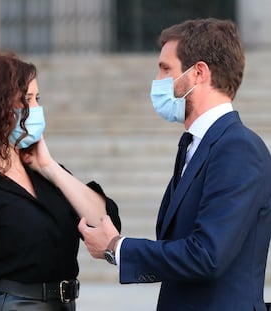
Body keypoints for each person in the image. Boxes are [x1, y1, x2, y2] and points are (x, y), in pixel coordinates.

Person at [78, 17, 271, 311]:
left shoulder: (238, 148)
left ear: (199, 73)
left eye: (165, 69)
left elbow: (207, 255)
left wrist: (117, 247)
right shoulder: (196, 145)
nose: (157, 81)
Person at [0, 50, 121, 311]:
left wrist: (50, 167)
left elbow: (107, 224)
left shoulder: (46, 175)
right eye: (26, 100)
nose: (37, 109)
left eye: (37, 98)